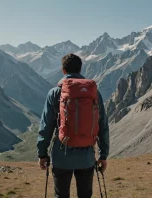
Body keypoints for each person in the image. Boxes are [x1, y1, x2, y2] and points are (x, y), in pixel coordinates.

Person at [37, 53, 110, 198]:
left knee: (61, 195)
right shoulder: (94, 93)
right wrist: (103, 155)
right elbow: (102, 125)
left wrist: (42, 154)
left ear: (63, 70)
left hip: (61, 156)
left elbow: (46, 126)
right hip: (87, 157)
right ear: (80, 69)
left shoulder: (54, 93)